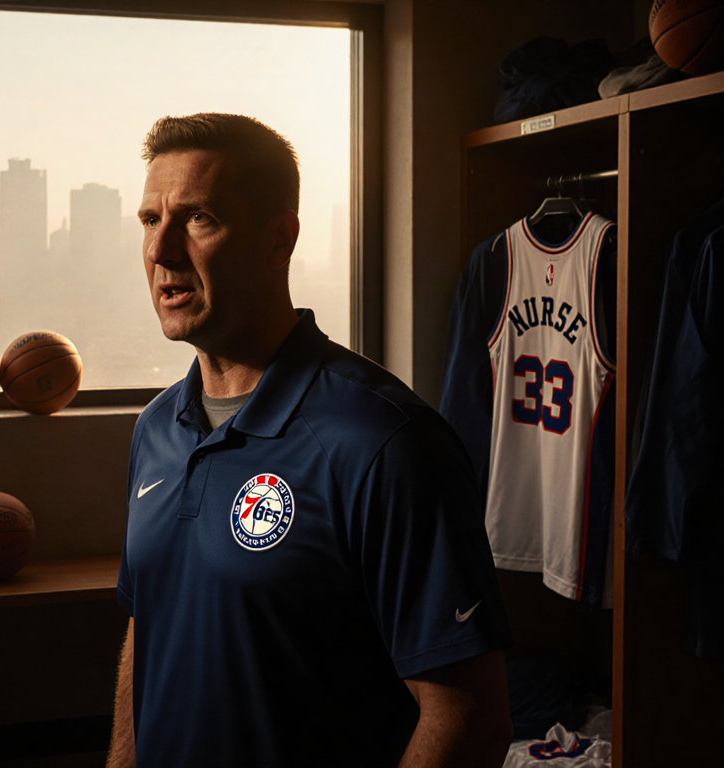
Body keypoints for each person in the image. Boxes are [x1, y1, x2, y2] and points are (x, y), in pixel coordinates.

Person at [108, 113, 513, 768]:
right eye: (151, 220)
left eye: (199, 218)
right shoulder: (155, 430)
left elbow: (470, 720)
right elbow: (146, 629)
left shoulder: (384, 442)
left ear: (279, 239)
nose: (161, 251)